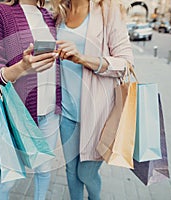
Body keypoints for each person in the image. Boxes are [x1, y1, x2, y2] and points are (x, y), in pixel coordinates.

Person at [0, 0, 61, 199]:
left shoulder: (47, 16)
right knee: (7, 180)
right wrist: (21, 67)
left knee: (44, 170)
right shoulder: (0, 13)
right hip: (16, 115)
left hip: (49, 112)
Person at [51, 0, 134, 199]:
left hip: (98, 114)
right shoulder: (59, 12)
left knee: (85, 173)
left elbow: (126, 63)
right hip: (66, 112)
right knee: (71, 172)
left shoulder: (107, 10)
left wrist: (82, 58)